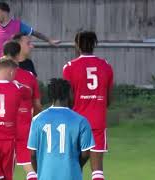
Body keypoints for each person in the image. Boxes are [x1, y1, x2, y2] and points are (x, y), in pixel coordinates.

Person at [63, 31, 114, 180]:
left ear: (77, 45)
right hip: (97, 120)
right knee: (97, 169)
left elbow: (68, 99)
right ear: (94, 45)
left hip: (76, 122)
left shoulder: (70, 67)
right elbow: (108, 99)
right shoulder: (106, 66)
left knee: (74, 164)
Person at [0, 41, 41, 180]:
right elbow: (37, 104)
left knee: (1, 166)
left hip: (2, 126)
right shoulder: (29, 76)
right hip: (24, 125)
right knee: (28, 164)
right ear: (18, 55)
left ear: (2, 55)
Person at [27, 78, 94, 180]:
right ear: (68, 95)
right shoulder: (81, 121)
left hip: (46, 176)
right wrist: (74, 167)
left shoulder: (37, 120)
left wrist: (41, 172)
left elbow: (32, 154)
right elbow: (85, 154)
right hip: (72, 175)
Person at [0, 2, 60, 74]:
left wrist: (49, 40)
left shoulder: (18, 25)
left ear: (4, 13)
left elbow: (35, 33)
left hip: (11, 62)